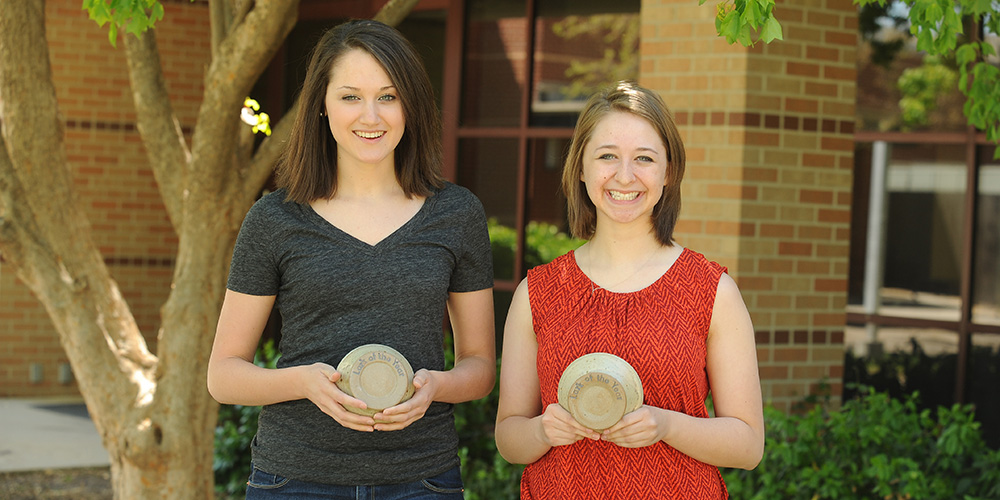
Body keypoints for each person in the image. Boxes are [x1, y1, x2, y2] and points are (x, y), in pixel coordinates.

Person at [207, 19, 495, 499]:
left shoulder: (456, 213)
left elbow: (480, 366)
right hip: (293, 479)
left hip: (421, 479)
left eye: (388, 96)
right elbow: (224, 375)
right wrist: (304, 382)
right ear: (321, 105)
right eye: (350, 97)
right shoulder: (276, 219)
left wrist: (435, 387)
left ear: (410, 105)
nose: (371, 116)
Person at [494, 81, 764, 499]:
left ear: (667, 172)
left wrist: (668, 425)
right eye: (606, 157)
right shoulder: (537, 293)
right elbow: (510, 439)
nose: (624, 176)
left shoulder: (713, 291)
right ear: (581, 169)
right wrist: (543, 429)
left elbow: (748, 445)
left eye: (644, 158)